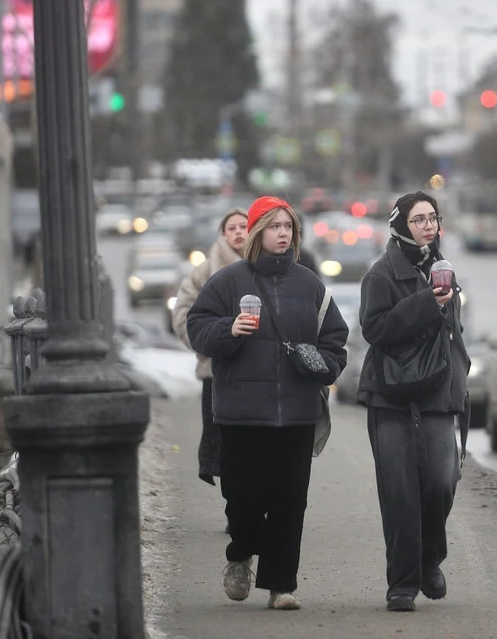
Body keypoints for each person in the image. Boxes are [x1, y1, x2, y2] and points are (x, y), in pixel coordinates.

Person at [185, 196, 348, 611]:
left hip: (295, 413)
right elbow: (197, 328)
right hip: (241, 414)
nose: (283, 234)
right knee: (242, 500)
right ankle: (240, 554)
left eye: (288, 228)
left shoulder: (309, 284)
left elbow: (335, 339)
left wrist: (322, 365)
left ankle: (281, 586)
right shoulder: (227, 281)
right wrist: (229, 329)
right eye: (274, 227)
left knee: (290, 502)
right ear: (258, 232)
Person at [356, 191, 471, 612]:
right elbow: (374, 329)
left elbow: (452, 334)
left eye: (432, 218)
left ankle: (428, 561)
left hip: (438, 392)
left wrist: (461, 377)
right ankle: (401, 584)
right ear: (400, 225)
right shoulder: (382, 274)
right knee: (401, 491)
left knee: (443, 480)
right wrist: (427, 303)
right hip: (391, 394)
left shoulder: (442, 269)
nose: (428, 225)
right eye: (419, 219)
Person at [172, 208, 248, 487]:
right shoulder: (205, 271)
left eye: (244, 226)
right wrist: (203, 342)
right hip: (215, 371)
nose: (239, 232)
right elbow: (183, 311)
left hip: (257, 369)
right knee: (223, 440)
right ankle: (235, 506)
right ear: (223, 234)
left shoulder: (265, 264)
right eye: (232, 228)